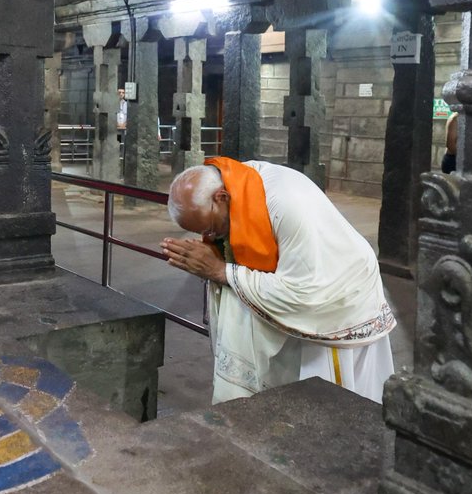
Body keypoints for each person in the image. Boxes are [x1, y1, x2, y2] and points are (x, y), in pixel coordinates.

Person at [161, 157, 396, 404]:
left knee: (333, 404)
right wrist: (214, 259)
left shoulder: (287, 204)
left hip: (338, 298)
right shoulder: (239, 184)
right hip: (311, 283)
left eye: (209, 228)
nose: (208, 236)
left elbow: (304, 294)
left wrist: (221, 271)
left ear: (221, 197)